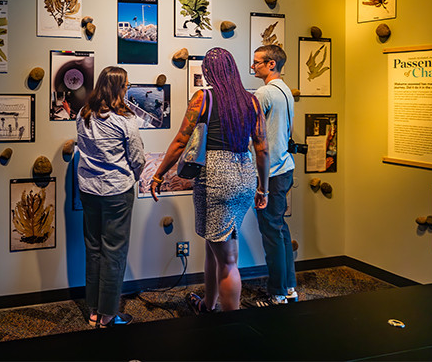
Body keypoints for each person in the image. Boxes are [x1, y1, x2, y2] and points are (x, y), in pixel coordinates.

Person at [150, 47, 269, 312]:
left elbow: (182, 140)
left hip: (216, 177)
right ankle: (208, 304)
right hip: (244, 175)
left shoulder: (203, 98)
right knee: (215, 245)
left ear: (208, 71)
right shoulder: (251, 101)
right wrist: (264, 188)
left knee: (228, 261)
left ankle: (230, 324)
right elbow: (262, 147)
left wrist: (159, 175)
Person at [76, 66, 145, 327]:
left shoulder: (83, 115)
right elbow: (137, 158)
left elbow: (83, 149)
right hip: (117, 191)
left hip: (89, 190)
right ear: (118, 87)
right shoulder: (125, 120)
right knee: (114, 252)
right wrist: (135, 176)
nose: (128, 87)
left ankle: (93, 310)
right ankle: (108, 314)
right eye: (126, 84)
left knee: (93, 249)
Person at [252, 44, 297, 306]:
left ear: (271, 64)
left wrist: (261, 184)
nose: (253, 66)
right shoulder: (286, 91)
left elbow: (253, 131)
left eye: (257, 62)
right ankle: (287, 288)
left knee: (271, 232)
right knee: (279, 230)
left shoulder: (265, 92)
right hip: (285, 167)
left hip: (271, 171)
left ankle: (277, 294)